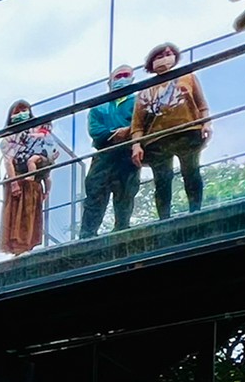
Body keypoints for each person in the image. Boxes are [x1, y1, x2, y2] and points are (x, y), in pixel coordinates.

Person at [129, 43, 210, 219]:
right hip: (156, 141)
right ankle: (163, 218)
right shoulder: (144, 91)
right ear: (152, 63)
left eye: (169, 54)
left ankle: (195, 211)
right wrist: (136, 145)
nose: (165, 58)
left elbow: (201, 104)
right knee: (162, 180)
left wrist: (206, 123)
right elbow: (138, 124)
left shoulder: (187, 77)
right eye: (160, 56)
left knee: (191, 171)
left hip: (187, 133)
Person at [81, 67, 138, 238]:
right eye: (118, 76)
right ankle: (87, 234)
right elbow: (96, 130)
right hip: (104, 154)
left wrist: (128, 132)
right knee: (95, 192)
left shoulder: (138, 102)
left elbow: (143, 123)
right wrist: (118, 133)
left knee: (126, 192)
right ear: (110, 82)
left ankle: (122, 228)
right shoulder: (99, 106)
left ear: (132, 78)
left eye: (125, 76)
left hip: (128, 154)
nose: (121, 79)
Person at [0, 101, 61, 255]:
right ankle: (18, 249)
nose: (21, 114)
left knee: (31, 214)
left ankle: (28, 246)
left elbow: (48, 152)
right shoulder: (8, 138)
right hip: (19, 178)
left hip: (35, 180)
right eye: (17, 111)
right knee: (18, 216)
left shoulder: (37, 132)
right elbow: (8, 161)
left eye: (24, 110)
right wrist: (14, 184)